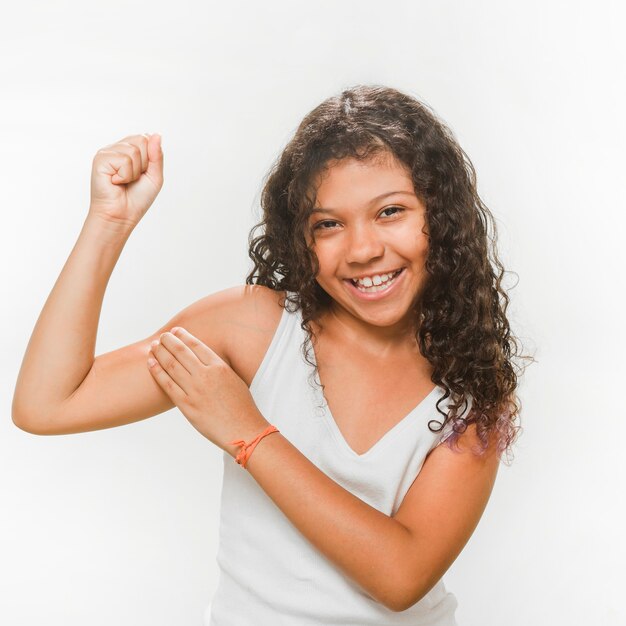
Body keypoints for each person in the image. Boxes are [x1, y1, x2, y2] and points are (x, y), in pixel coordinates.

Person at [12, 84, 529, 625]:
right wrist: (108, 223)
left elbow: (401, 576)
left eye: (390, 211)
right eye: (328, 224)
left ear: (443, 218)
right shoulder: (253, 327)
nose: (362, 249)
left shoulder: (474, 386)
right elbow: (48, 405)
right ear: (300, 239)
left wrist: (247, 433)